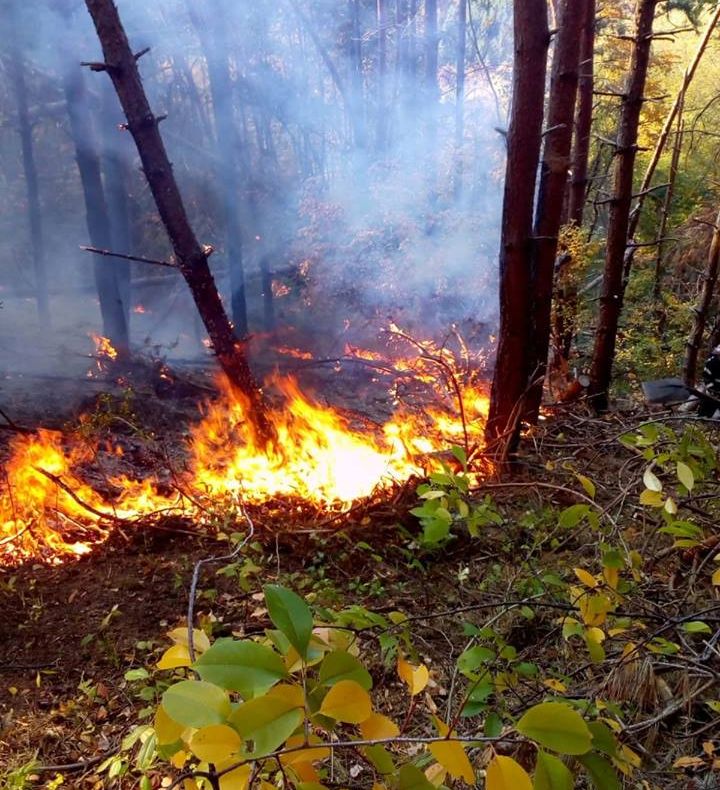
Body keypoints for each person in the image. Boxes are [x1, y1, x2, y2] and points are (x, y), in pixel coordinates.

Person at [700, 346, 720, 417]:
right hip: (712, 392)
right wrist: (712, 391)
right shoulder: (711, 363)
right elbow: (706, 378)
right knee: (707, 409)